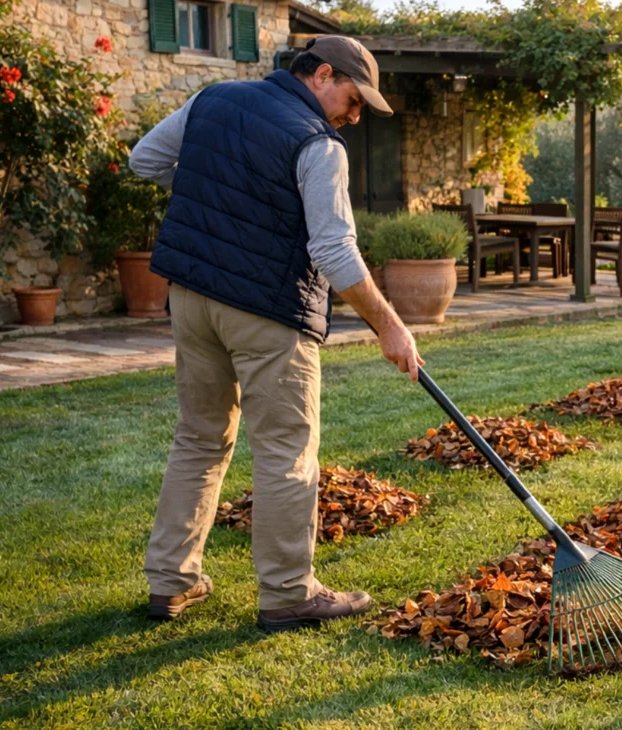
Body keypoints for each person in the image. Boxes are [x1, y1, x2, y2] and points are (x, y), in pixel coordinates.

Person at [130, 36, 422, 632]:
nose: (354, 114)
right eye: (352, 97)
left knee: (198, 437)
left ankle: (170, 581)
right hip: (265, 309)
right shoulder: (319, 143)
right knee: (286, 449)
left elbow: (146, 160)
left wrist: (222, 205)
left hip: (191, 297)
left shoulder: (213, 100)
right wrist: (391, 327)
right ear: (320, 75)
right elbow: (336, 252)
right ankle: (289, 592)